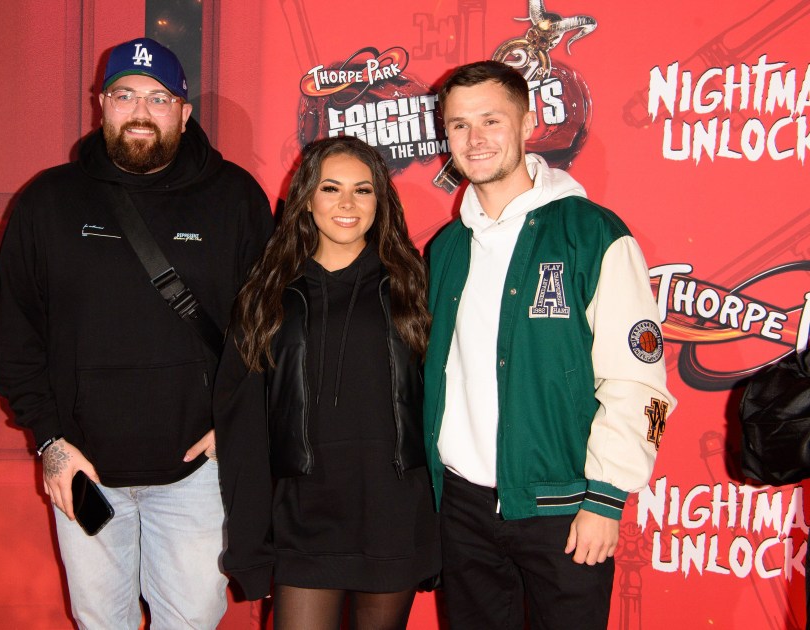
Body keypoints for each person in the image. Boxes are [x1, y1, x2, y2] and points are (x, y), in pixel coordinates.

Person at [0, 37, 273, 629]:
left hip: (197, 472)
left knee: (193, 620)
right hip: (85, 468)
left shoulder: (235, 199)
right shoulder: (48, 202)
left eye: (158, 98)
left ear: (184, 111)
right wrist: (50, 443)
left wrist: (236, 421)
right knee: (100, 620)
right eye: (124, 95)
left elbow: (270, 324)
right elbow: (16, 335)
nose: (140, 111)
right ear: (101, 103)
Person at [423, 60, 676, 629]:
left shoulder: (595, 236)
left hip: (565, 510)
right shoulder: (446, 248)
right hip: (463, 509)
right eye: (459, 125)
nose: (475, 139)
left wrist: (607, 496)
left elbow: (643, 385)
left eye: (492, 120)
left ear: (530, 122)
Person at [214, 135, 440, 630]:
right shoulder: (267, 294)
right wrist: (250, 544)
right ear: (305, 198)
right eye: (330, 188)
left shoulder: (414, 286)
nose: (346, 204)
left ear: (380, 202)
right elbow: (242, 428)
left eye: (362, 190)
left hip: (391, 515)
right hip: (303, 518)